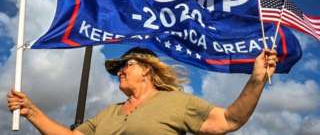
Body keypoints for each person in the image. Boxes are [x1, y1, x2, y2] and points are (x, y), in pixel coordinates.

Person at [7, 46, 278, 135]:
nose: (120, 71)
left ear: (146, 69)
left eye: (126, 65)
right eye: (118, 69)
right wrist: (32, 111)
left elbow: (229, 120)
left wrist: (256, 80)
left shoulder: (177, 103)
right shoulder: (108, 114)